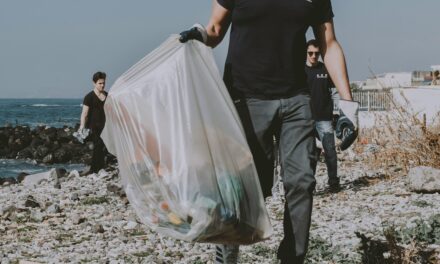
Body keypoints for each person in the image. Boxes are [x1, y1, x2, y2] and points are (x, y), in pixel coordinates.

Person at [179, 0, 358, 263]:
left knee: (301, 183)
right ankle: (227, 250)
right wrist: (200, 35)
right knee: (249, 189)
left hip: (297, 99)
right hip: (246, 99)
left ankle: (292, 258)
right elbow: (215, 28)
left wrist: (348, 105)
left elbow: (328, 43)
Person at [305, 39, 340, 192]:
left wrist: (337, 112)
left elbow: (335, 92)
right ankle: (310, 184)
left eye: (317, 54)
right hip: (306, 119)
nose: (314, 56)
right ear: (305, 53)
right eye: (310, 53)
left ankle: (333, 182)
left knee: (330, 152)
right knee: (310, 154)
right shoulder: (300, 72)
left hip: (325, 118)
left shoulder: (326, 70)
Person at [79, 71, 108, 174]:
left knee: (102, 146)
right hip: (92, 126)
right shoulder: (89, 97)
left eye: (104, 83)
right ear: (94, 83)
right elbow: (84, 113)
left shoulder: (107, 95)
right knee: (98, 144)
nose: (102, 85)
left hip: (104, 126)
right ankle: (94, 169)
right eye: (100, 83)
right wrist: (82, 126)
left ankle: (100, 167)